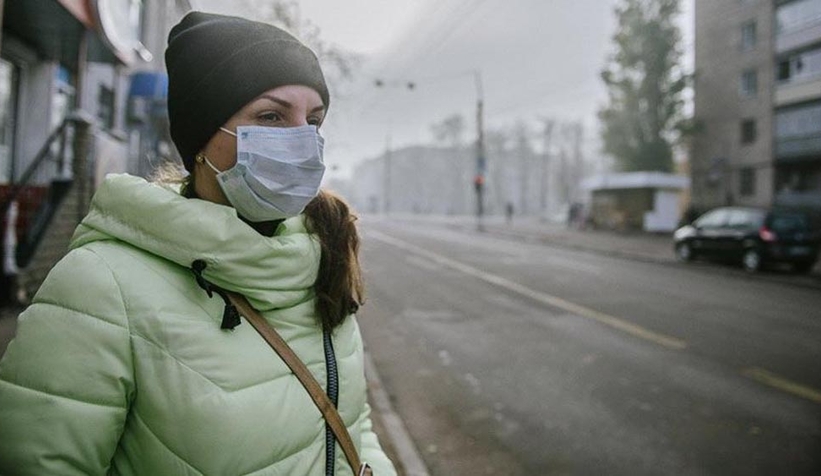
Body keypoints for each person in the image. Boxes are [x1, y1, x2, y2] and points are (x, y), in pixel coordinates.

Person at [0, 12, 396, 476]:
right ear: (202, 139)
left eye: (313, 121)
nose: (301, 142)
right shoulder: (100, 285)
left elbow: (354, 423)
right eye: (270, 116)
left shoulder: (318, 262)